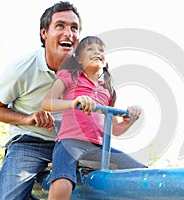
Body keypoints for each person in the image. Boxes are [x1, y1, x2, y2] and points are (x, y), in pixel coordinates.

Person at [0, 1, 82, 199]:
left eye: (74, 28)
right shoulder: (21, 69)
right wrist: (27, 118)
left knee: (132, 175)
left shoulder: (85, 69)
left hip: (71, 144)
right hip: (30, 142)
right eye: (60, 26)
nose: (69, 33)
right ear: (44, 33)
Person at [41, 36, 147, 199]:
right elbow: (47, 103)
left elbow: (114, 129)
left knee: (142, 173)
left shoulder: (107, 90)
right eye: (90, 49)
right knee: (63, 182)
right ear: (78, 58)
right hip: (70, 143)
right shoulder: (69, 76)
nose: (97, 52)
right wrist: (74, 103)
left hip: (99, 149)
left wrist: (129, 121)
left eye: (101, 50)